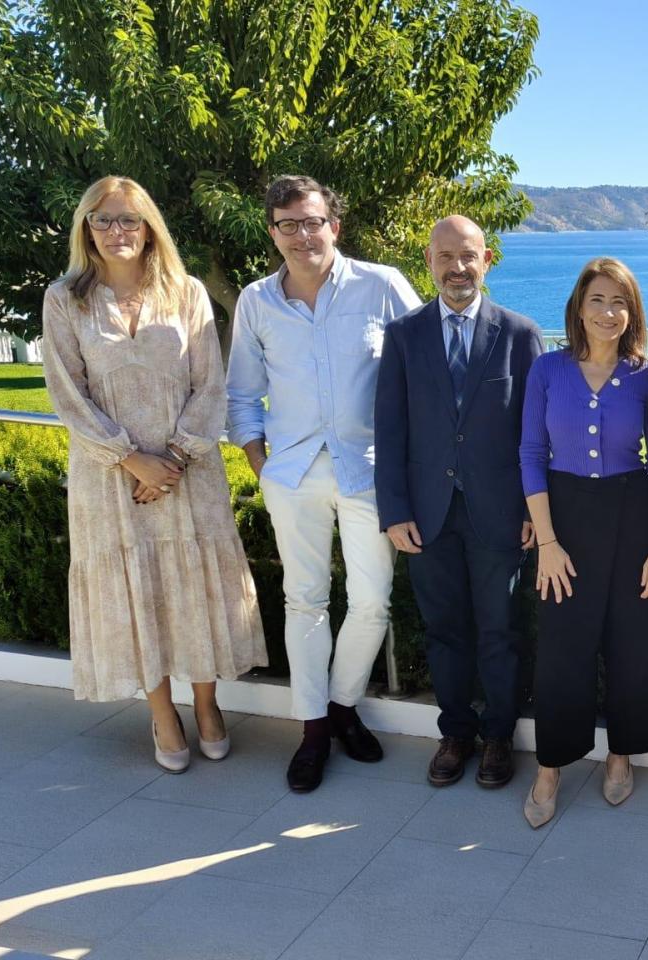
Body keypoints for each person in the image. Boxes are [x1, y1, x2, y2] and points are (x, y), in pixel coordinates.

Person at [41, 175, 267, 773]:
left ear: (149, 228)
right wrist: (128, 457)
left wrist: (176, 458)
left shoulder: (186, 292)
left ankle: (208, 702)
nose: (117, 231)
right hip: (108, 478)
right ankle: (162, 712)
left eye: (129, 219)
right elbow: (68, 395)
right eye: (103, 219)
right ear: (86, 228)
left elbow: (209, 383)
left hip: (190, 471)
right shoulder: (64, 299)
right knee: (137, 589)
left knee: (192, 585)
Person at [227, 175, 422, 793]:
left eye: (313, 222)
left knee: (372, 602)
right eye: (289, 224)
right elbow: (240, 393)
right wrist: (262, 464)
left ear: (334, 226)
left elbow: (425, 372)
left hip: (369, 471)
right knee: (304, 601)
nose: (303, 234)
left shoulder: (383, 285)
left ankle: (341, 705)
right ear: (273, 233)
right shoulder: (257, 301)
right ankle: (313, 730)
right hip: (291, 472)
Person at [374, 216, 543, 791]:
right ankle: (456, 733)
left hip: (499, 513)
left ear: (487, 259)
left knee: (500, 631)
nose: (457, 268)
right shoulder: (403, 336)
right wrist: (394, 510)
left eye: (467, 256)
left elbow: (533, 432)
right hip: (426, 513)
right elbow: (389, 428)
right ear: (428, 261)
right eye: (445, 257)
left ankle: (499, 735)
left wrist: (531, 509)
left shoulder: (519, 334)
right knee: (444, 629)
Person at [517, 257, 648, 827]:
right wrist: (548, 543)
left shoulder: (646, 376)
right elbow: (531, 455)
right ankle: (552, 766)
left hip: (631, 514)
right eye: (597, 301)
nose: (608, 313)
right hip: (564, 517)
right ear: (578, 308)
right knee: (562, 646)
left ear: (632, 313)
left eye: (620, 302)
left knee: (631, 641)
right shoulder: (547, 370)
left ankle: (619, 754)